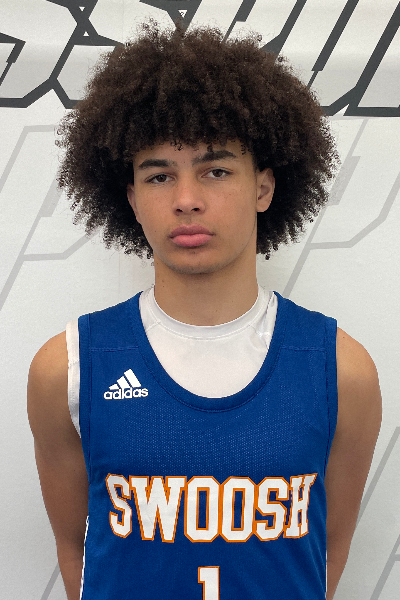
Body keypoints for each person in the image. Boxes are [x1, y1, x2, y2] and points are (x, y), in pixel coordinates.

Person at [27, 21, 382, 600]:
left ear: (264, 187)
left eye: (216, 171)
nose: (186, 199)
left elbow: (327, 552)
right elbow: (76, 552)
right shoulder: (66, 369)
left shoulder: (342, 371)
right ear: (131, 198)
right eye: (159, 175)